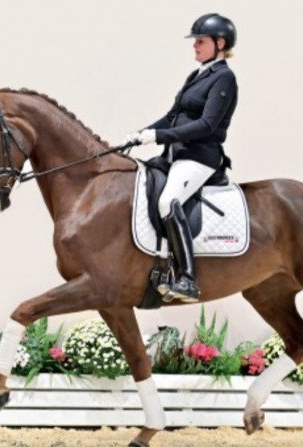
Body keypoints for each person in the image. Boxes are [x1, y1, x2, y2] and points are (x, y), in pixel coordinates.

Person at [124, 13, 238, 303]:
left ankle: (187, 278)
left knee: (168, 200)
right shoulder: (197, 75)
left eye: (200, 41)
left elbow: (206, 125)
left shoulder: (224, 77)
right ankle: (157, 264)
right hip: (175, 155)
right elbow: (173, 116)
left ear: (219, 43)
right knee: (139, 184)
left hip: (199, 157)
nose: (195, 47)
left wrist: (159, 137)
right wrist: (144, 133)